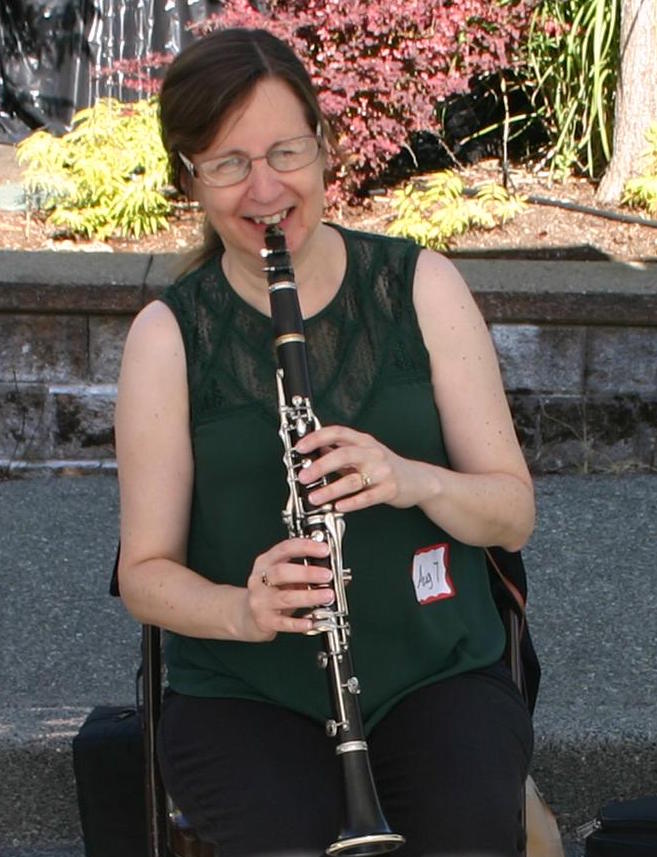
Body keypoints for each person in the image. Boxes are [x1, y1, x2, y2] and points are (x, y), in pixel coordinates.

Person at [115, 26, 535, 857]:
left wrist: (412, 478)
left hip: (436, 673)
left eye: (286, 151)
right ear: (188, 176)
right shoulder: (168, 336)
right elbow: (144, 574)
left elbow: (511, 514)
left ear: (323, 146)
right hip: (244, 693)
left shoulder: (420, 286)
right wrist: (243, 609)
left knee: (467, 833)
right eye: (228, 163)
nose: (264, 187)